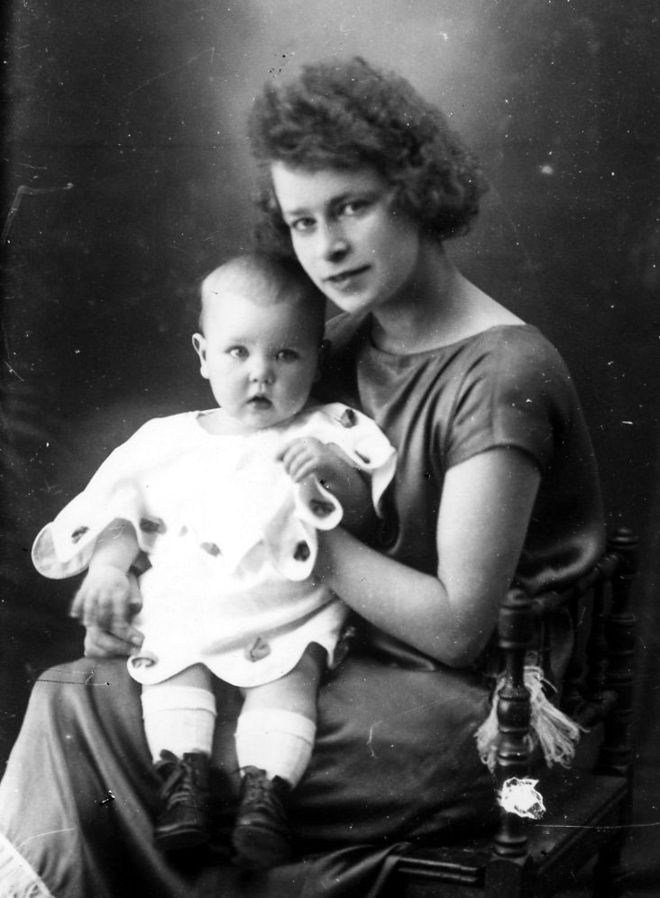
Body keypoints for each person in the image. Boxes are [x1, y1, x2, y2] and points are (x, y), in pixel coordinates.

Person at [0, 57, 605, 898]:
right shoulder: (338, 342)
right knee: (84, 694)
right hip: (325, 649)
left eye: (352, 206)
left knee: (105, 720)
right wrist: (142, 584)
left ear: (418, 190)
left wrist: (294, 541)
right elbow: (219, 471)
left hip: (467, 702)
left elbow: (456, 631)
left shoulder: (502, 373)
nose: (327, 247)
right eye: (302, 221)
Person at [29, 253, 396, 869]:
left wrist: (333, 471)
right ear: (203, 355)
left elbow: (367, 517)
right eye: (238, 352)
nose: (261, 374)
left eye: (286, 355)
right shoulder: (166, 440)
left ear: (317, 358)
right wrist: (109, 568)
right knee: (171, 666)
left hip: (286, 611)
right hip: (189, 605)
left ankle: (266, 795)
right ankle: (185, 784)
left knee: (292, 677)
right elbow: (121, 509)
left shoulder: (328, 430)